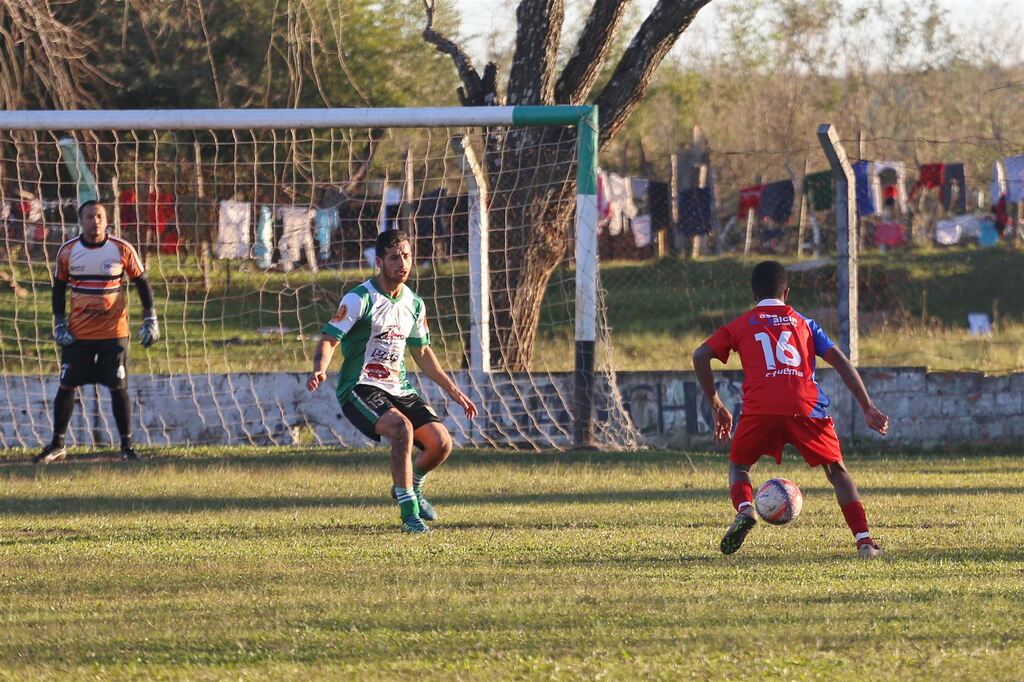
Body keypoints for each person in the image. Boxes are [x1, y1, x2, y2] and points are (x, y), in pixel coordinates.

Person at [691, 260, 889, 559]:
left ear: (753, 293)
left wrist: (716, 403)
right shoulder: (805, 323)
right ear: (786, 292)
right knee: (837, 472)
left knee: (739, 466)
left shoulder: (741, 324)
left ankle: (746, 509)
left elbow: (700, 354)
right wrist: (868, 405)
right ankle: (864, 542)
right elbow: (839, 360)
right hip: (805, 406)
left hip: (760, 408)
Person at [306, 229, 477, 534]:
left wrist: (452, 390)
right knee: (402, 429)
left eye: (407, 256)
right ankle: (410, 514)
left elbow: (422, 351)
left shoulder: (414, 304)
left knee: (441, 444)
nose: (402, 263)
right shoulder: (360, 298)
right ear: (380, 261)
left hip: (398, 387)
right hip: (360, 387)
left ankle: (411, 485)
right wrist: (320, 368)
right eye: (394, 257)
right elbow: (329, 340)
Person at [33, 200, 159, 463]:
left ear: (107, 219)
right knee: (67, 385)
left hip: (114, 333)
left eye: (99, 216)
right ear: (82, 221)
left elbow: (141, 283)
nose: (95, 221)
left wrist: (151, 319)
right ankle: (57, 444)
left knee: (118, 386)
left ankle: (126, 446)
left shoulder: (121, 248)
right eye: (90, 217)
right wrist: (58, 323)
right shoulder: (68, 251)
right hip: (78, 334)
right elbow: (58, 289)